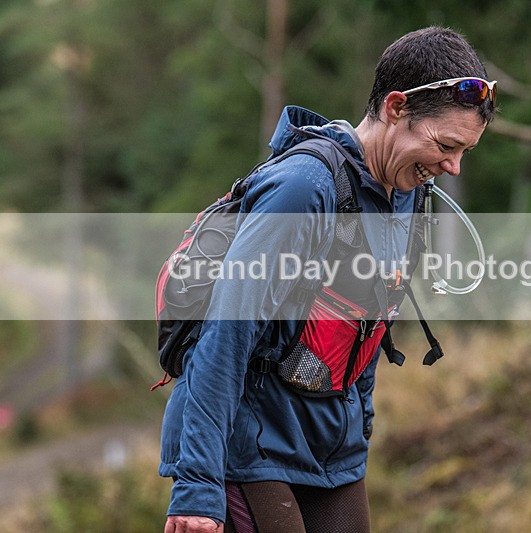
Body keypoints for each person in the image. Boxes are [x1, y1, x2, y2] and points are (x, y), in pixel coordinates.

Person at [160, 26, 497, 533]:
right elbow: (225, 336)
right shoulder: (305, 188)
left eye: (464, 152)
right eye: (445, 145)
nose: (451, 166)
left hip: (327, 447)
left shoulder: (406, 193)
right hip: (246, 438)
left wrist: (355, 433)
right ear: (396, 108)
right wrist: (197, 487)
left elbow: (366, 331)